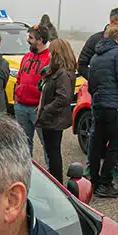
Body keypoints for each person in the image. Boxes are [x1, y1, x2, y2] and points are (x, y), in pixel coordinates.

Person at [85, 23, 118, 198]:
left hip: (98, 105)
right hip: (115, 107)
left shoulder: (96, 57)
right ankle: (105, 183)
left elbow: (91, 84)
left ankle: (93, 180)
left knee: (97, 144)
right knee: (114, 147)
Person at [35, 38, 78, 181]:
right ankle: (55, 180)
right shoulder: (56, 72)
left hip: (53, 120)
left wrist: (46, 110)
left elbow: (63, 98)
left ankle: (57, 182)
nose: (49, 55)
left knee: (53, 154)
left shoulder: (63, 74)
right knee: (52, 152)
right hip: (51, 118)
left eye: (52, 52)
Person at [12, 25, 51, 150]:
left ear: (40, 40)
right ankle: (26, 169)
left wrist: (43, 104)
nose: (28, 40)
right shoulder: (27, 56)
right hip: (21, 107)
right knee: (23, 145)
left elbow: (50, 85)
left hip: (38, 110)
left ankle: (49, 170)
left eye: (31, 38)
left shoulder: (50, 59)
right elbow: (19, 77)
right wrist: (16, 97)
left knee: (47, 145)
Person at [77, 6, 118, 80]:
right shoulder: (95, 40)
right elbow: (81, 65)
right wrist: (94, 79)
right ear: (112, 22)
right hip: (99, 90)